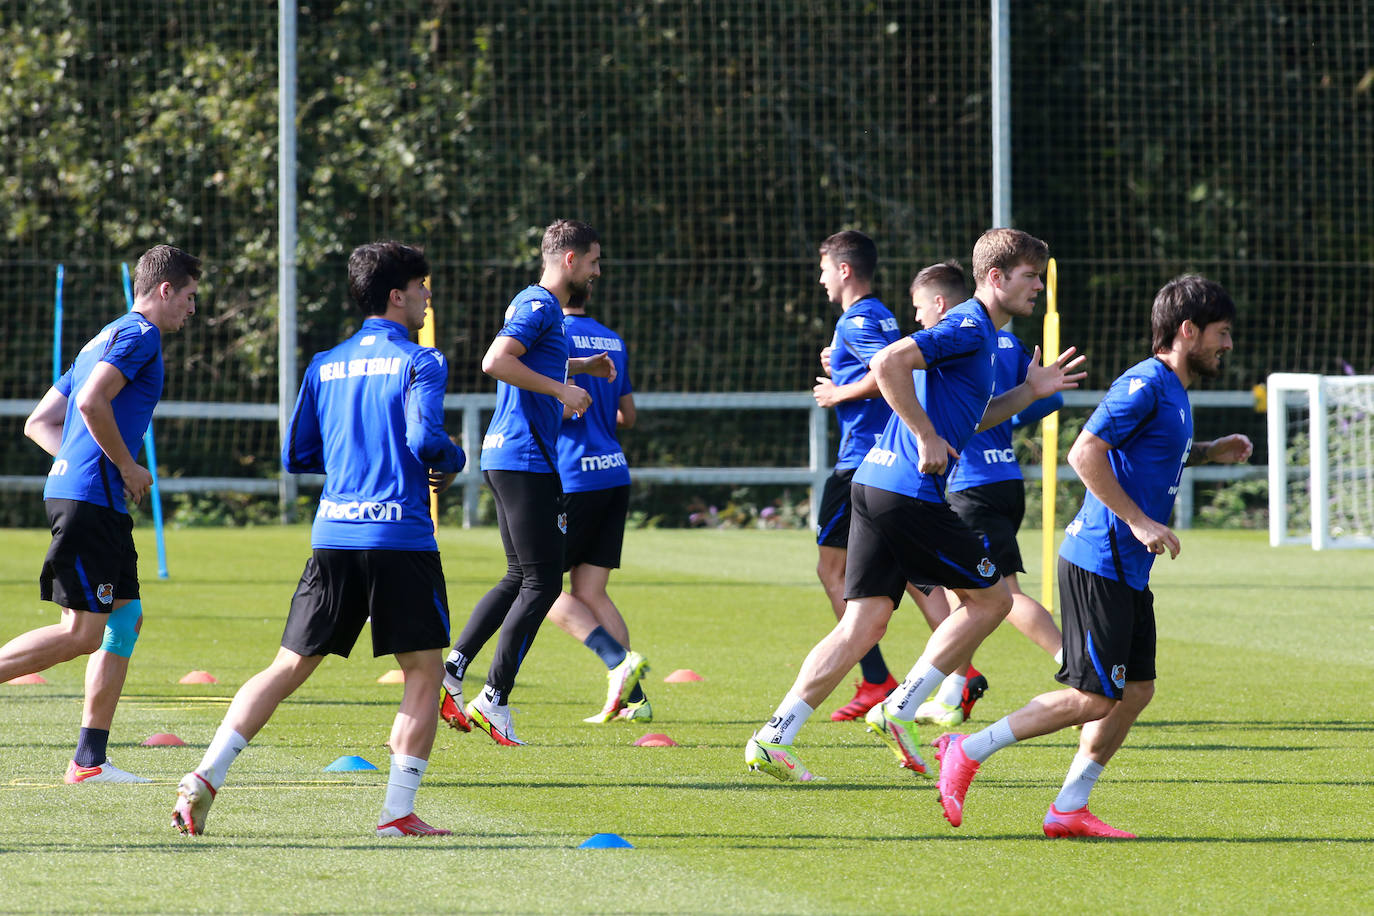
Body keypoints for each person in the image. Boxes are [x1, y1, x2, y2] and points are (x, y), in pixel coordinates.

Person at [746, 228, 1084, 782]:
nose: (1038, 288)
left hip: (876, 484)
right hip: (907, 492)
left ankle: (773, 736)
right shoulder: (969, 325)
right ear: (995, 277)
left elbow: (973, 419)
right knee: (993, 600)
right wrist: (925, 435)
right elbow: (888, 362)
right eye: (1030, 277)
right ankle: (900, 708)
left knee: (863, 624)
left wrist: (1029, 393)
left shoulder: (980, 335)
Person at [934, 275, 1252, 839]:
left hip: (1129, 567)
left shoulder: (1175, 390)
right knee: (1093, 697)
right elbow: (1085, 452)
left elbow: (1148, 456)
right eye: (1221, 333)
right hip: (1099, 560)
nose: (1227, 344)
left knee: (1135, 692)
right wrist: (1138, 521)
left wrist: (1208, 452)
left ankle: (1068, 807)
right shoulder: (1145, 382)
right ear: (1188, 330)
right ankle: (968, 749)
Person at [171, 241, 465, 837]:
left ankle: (206, 773)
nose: (427, 297)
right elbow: (425, 441)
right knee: (423, 670)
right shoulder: (421, 360)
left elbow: (296, 455)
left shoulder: (325, 364)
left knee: (286, 665)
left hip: (333, 534)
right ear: (397, 296)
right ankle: (397, 812)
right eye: (421, 287)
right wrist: (454, 458)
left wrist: (353, 457)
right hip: (398, 538)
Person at [0, 244, 200, 784]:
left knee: (125, 618)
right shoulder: (140, 335)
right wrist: (125, 466)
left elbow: (40, 422)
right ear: (165, 289)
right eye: (189, 296)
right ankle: (88, 761)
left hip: (91, 495)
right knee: (82, 632)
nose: (192, 308)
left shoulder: (101, 338)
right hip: (92, 500)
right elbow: (91, 403)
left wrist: (80, 463)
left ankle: (89, 761)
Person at [441, 219, 616, 746]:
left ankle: (452, 670)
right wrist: (563, 391)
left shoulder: (546, 312)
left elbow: (535, 358)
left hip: (511, 456)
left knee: (520, 576)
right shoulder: (539, 303)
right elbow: (496, 361)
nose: (597, 271)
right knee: (543, 584)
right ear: (570, 259)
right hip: (525, 458)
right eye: (593, 260)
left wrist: (581, 366)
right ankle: (493, 698)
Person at [907, 260, 1067, 728]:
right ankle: (953, 693)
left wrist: (972, 424)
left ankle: (1080, 669)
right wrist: (1006, 415)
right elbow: (1051, 396)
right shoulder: (1006, 342)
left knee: (1003, 594)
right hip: (1004, 479)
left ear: (941, 304)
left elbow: (909, 387)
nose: (917, 317)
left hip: (971, 484)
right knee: (963, 594)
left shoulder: (953, 343)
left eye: (919, 307)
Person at [808, 232, 958, 723]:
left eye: (825, 268)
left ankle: (878, 679)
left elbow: (891, 368)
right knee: (911, 572)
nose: (821, 278)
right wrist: (841, 363)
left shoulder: (856, 319)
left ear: (844, 269)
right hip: (887, 460)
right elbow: (888, 361)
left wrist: (840, 392)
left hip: (861, 459)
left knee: (832, 571)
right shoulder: (879, 315)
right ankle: (958, 670)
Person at [543, 284, 650, 724]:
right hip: (613, 471)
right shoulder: (612, 339)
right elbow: (628, 416)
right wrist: (601, 418)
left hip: (575, 475)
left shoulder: (553, 336)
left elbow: (559, 408)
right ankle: (635, 701)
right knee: (591, 590)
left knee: (541, 588)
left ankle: (617, 662)